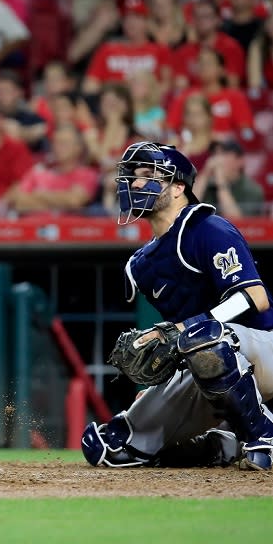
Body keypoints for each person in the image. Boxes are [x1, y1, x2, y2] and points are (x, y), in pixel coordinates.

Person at [82, 142, 273, 471]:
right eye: (132, 176)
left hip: (262, 347)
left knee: (203, 338)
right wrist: (161, 384)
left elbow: (254, 298)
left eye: (148, 175)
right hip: (209, 362)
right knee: (108, 446)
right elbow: (178, 341)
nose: (136, 183)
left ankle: (264, 437)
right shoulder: (140, 265)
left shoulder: (207, 228)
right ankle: (225, 443)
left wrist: (180, 330)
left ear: (178, 186)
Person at [193, 140, 265, 218]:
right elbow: (187, 208)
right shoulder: (206, 185)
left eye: (224, 154)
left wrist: (220, 182)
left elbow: (237, 221)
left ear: (240, 161)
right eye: (215, 154)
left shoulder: (252, 190)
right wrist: (205, 173)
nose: (217, 160)